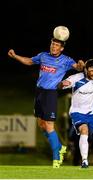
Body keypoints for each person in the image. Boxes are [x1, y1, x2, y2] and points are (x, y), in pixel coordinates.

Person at [8, 27, 85, 168]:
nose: (54, 47)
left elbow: (78, 68)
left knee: (49, 126)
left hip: (50, 94)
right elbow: (29, 61)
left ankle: (57, 156)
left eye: (57, 45)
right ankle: (59, 147)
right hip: (39, 92)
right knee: (41, 125)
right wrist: (15, 56)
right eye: (52, 44)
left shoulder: (66, 60)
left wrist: (80, 65)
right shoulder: (43, 56)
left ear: (61, 48)